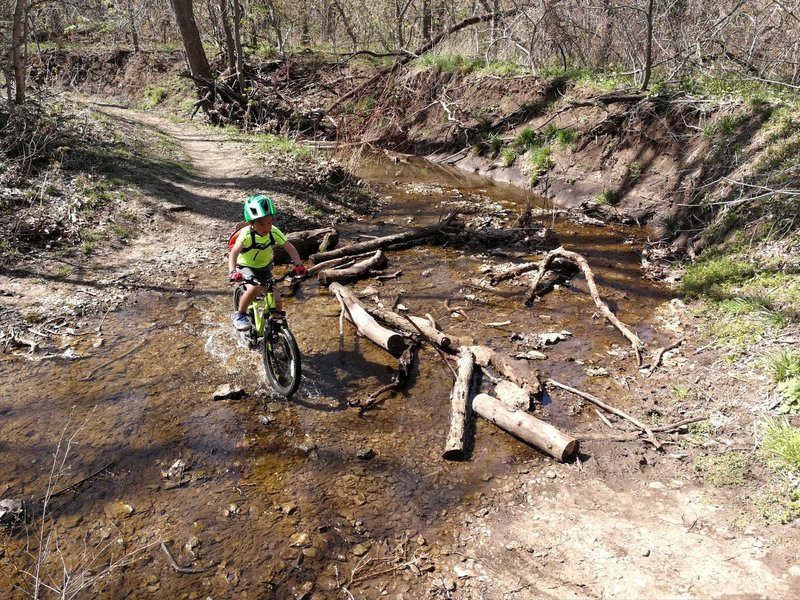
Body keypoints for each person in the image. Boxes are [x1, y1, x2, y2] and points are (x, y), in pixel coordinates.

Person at [228, 194, 307, 331]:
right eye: (261, 223)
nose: (266, 227)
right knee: (254, 288)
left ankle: (274, 327)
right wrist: (233, 272)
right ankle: (240, 314)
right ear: (251, 222)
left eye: (269, 223)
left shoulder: (273, 232)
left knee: (277, 300)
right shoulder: (247, 234)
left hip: (264, 268)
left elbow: (290, 247)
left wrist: (298, 265)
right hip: (246, 266)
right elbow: (234, 252)